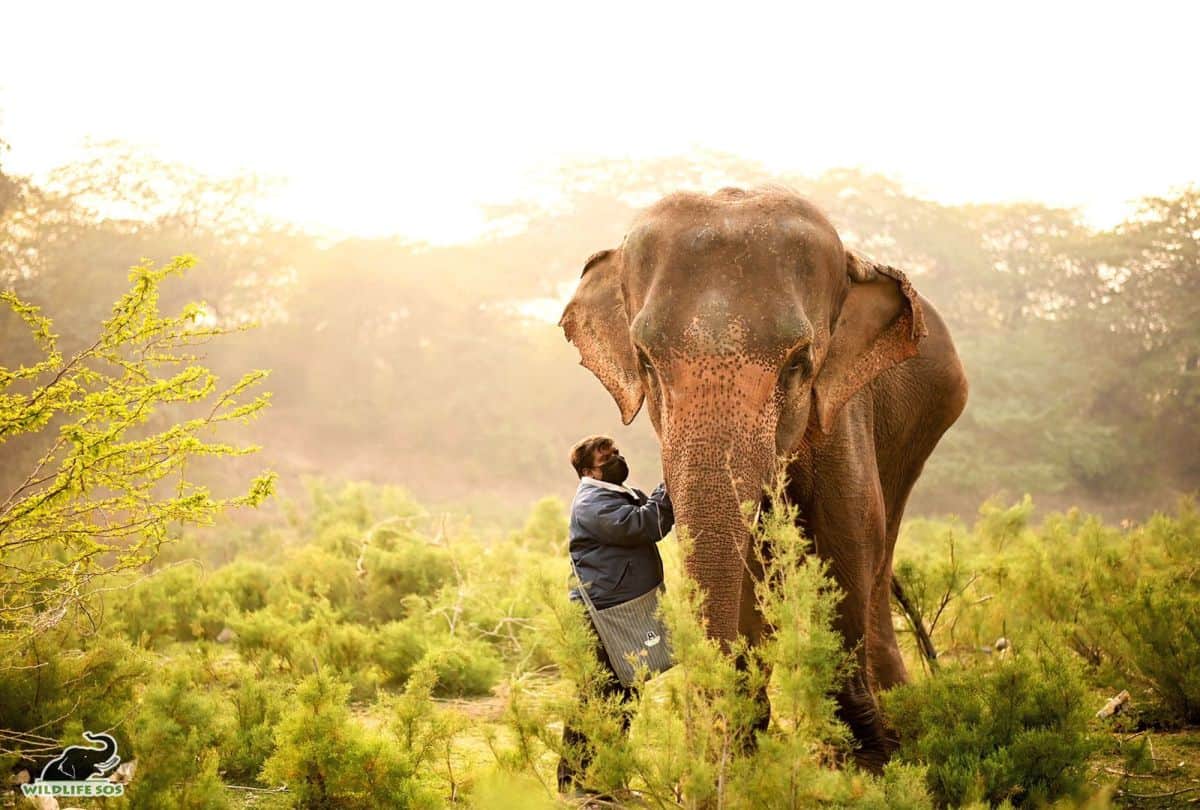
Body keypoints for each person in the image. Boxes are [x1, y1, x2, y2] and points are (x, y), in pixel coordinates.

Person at [557, 434, 675, 795]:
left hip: (616, 610)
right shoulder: (593, 503)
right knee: (598, 696)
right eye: (607, 459)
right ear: (587, 470)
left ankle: (606, 782)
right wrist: (671, 485)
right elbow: (645, 525)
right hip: (601, 615)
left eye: (618, 454)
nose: (617, 461)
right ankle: (578, 786)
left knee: (622, 696)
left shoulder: (612, 495)